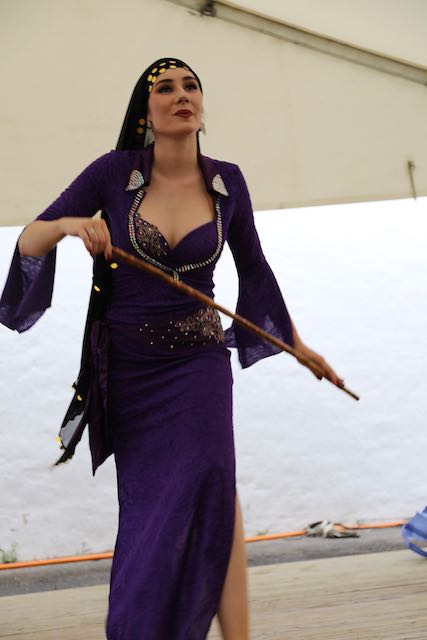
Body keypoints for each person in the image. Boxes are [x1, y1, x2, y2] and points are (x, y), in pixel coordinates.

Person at [0, 57, 344, 639]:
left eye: (191, 86)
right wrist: (70, 225)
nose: (181, 95)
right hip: (131, 370)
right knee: (149, 511)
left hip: (200, 362)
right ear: (147, 111)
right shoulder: (114, 173)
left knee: (214, 477)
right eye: (165, 88)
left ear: (201, 107)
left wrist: (297, 344)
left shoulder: (227, 181)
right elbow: (32, 237)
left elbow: (255, 269)